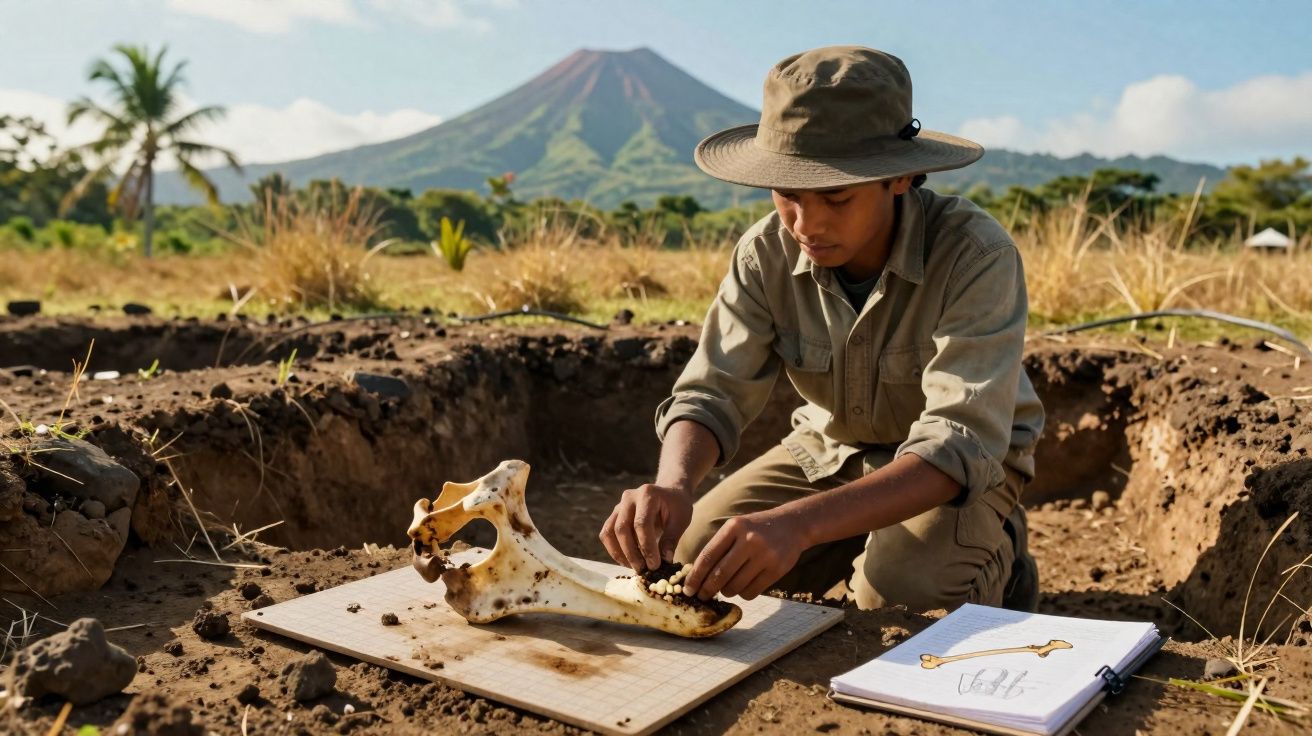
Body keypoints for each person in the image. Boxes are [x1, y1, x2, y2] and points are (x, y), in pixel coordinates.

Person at [598, 46, 1045, 612]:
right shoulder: (765, 252)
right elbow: (712, 393)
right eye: (787, 195)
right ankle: (856, 535)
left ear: (900, 176)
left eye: (836, 197)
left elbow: (957, 445)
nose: (807, 225)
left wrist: (798, 527)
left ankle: (999, 555)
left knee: (901, 598)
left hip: (955, 470)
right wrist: (674, 486)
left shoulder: (975, 255)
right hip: (831, 450)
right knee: (694, 557)